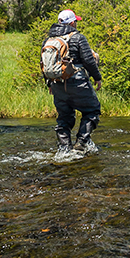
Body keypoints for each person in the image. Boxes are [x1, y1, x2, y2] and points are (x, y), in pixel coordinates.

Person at [44, 9, 103, 155]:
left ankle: (64, 149)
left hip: (57, 83)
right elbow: (88, 60)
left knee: (64, 117)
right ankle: (81, 143)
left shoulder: (49, 40)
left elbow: (43, 63)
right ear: (71, 23)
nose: (76, 23)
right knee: (92, 111)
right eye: (75, 21)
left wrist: (49, 83)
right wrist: (97, 77)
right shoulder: (77, 37)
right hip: (77, 82)